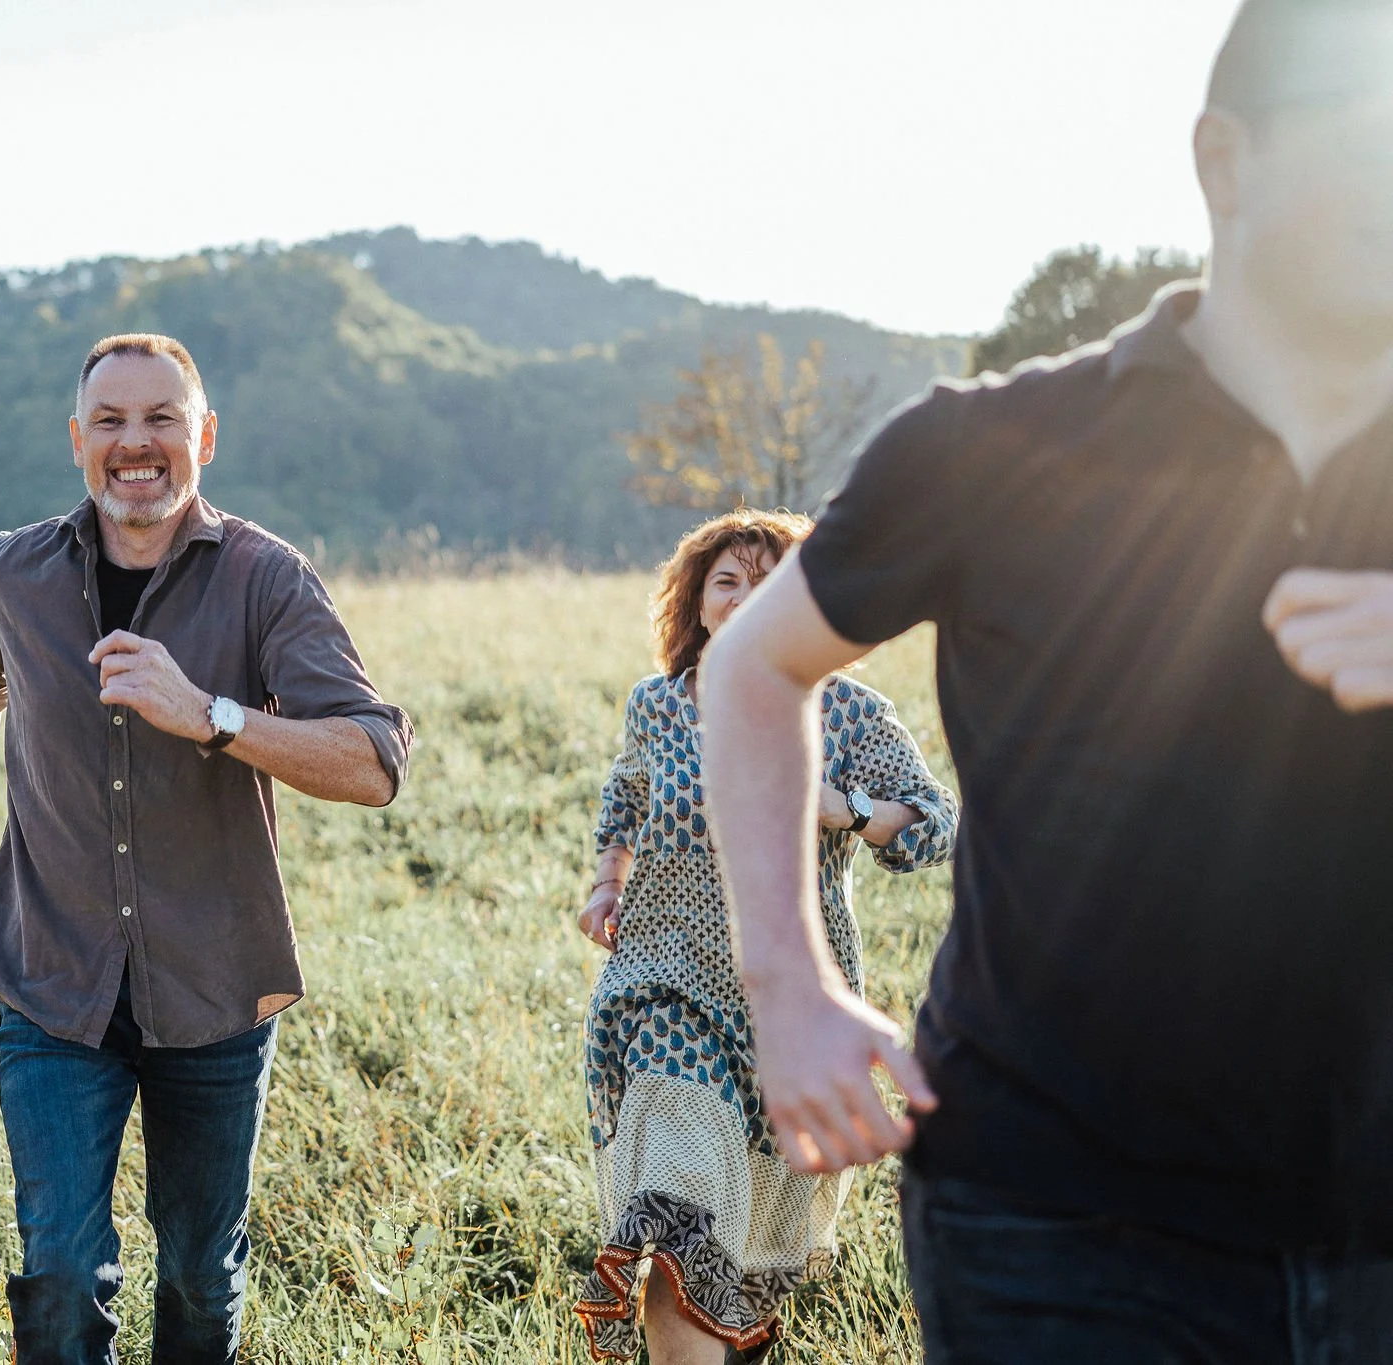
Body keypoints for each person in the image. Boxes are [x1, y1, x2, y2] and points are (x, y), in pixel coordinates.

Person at [697, 2, 1393, 1358]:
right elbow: (755, 666)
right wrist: (787, 992)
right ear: (1225, 164)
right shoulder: (992, 451)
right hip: (1056, 1222)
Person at [0, 332, 412, 1363]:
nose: (134, 445)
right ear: (76, 440)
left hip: (216, 988)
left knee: (194, 1271)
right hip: (51, 979)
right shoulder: (12, 574)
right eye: (109, 421)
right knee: (56, 1275)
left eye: (160, 420)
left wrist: (210, 714)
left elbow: (373, 761)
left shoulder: (269, 580)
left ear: (204, 438)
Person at [570, 510, 955, 1363]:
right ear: (698, 603)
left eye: (769, 582)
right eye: (727, 582)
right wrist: (607, 881)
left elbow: (938, 823)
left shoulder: (849, 712)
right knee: (680, 1212)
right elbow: (625, 793)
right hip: (663, 992)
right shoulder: (658, 703)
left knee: (738, 1246)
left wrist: (846, 810)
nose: (745, 599)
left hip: (788, 1013)